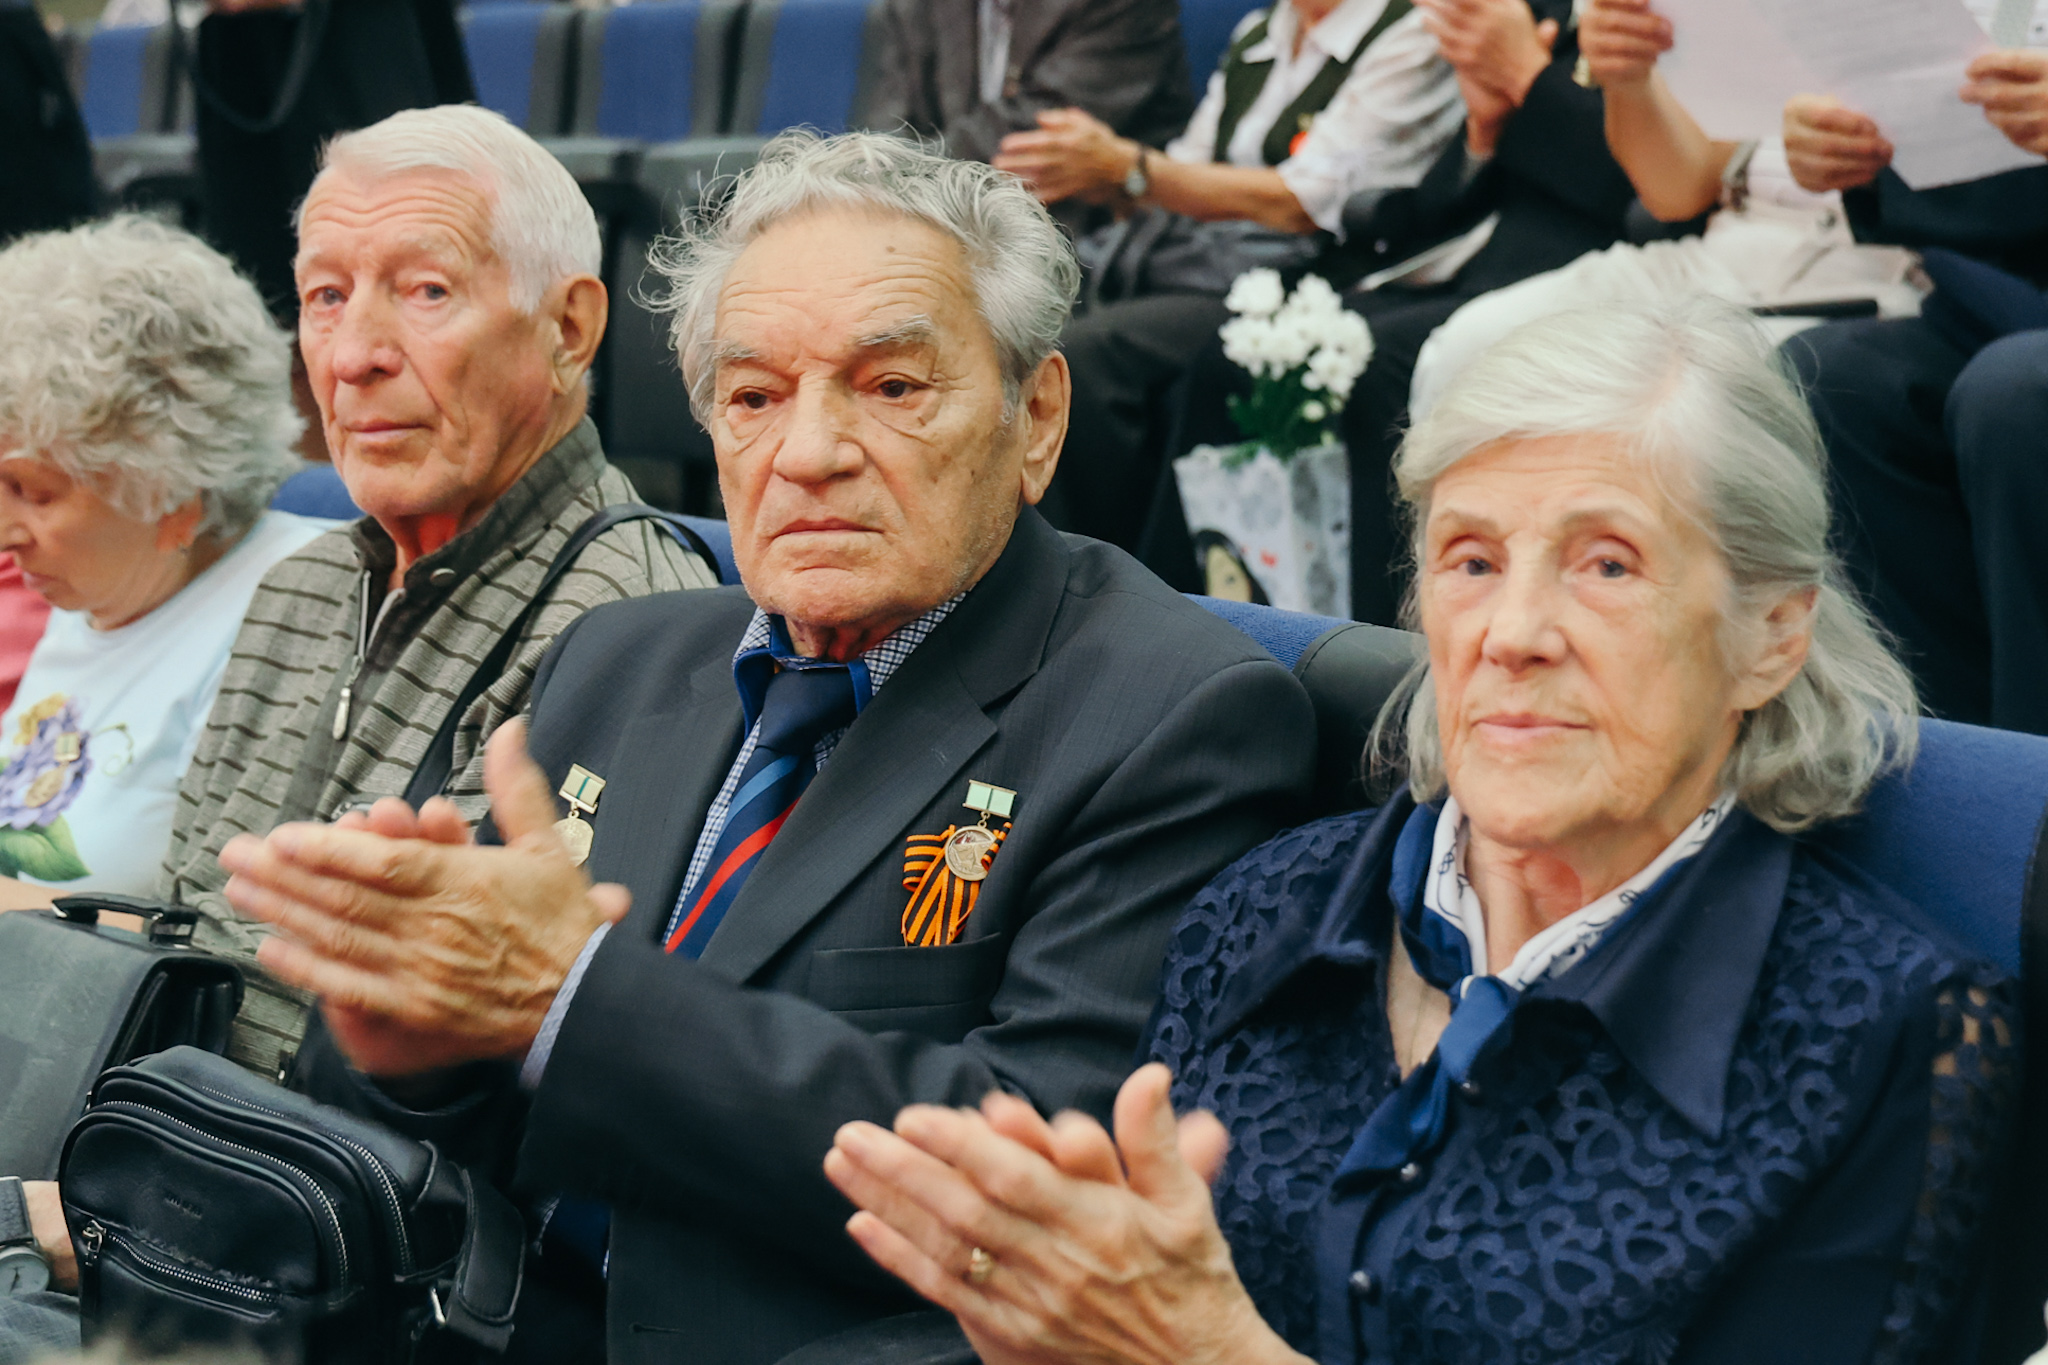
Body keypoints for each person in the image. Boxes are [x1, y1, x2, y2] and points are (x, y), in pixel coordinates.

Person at [201, 130, 1318, 1365]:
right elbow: (398, 1117)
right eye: (753, 398)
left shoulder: (1174, 715)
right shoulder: (613, 659)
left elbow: (1036, 1186)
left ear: (1036, 416)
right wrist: (411, 1049)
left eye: (891, 388)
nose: (808, 453)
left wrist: (569, 998)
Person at [825, 302, 2017, 1365]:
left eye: (1606, 564)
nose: (1513, 632)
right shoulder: (1261, 912)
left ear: (1769, 635)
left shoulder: (1883, 1034)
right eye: (1470, 560)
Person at [160, 103, 717, 1078]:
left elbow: (487, 1066)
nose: (353, 356)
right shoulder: (297, 585)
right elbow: (176, 928)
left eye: (426, 290)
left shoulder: (629, 627)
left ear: (569, 329)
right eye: (326, 296)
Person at [1141, 0, 1637, 623]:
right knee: (1226, 356)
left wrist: (1528, 80)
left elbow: (1639, 191)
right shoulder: (1539, 11)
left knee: (1376, 373)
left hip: (1572, 271)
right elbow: (1441, 200)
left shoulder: (1635, 22)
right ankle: (1172, 616)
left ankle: (1378, 639)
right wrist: (1483, 133)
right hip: (1441, 260)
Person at [1025, 0, 1465, 548]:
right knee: (1030, 316)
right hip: (1207, 259)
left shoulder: (1411, 32)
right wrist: (1108, 174)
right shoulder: (1260, 32)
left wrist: (1129, 168)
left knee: (1091, 356)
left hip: (1312, 277)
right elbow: (1184, 169)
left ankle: (1076, 562)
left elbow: (1302, 203)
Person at [0, 216, 331, 900]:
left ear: (171, 488)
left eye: (33, 492)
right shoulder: (98, 585)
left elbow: (224, 939)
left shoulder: (294, 611)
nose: (5, 531)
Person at [1399, 0, 1925, 417]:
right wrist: (1627, 79)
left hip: (1883, 266)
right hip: (1726, 247)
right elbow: (1677, 191)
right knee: (1471, 349)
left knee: (1708, 405)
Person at [1777, 0, 2048, 734]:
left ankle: (2029, 774)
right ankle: (1939, 749)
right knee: (1831, 375)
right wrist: (1862, 151)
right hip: (2006, 292)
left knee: (2015, 394)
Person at [865, 0, 1193, 236]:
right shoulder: (912, 8)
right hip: (939, 217)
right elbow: (882, 131)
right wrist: (880, 181)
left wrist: (895, 181)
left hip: (1088, 235)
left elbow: (1027, 140)